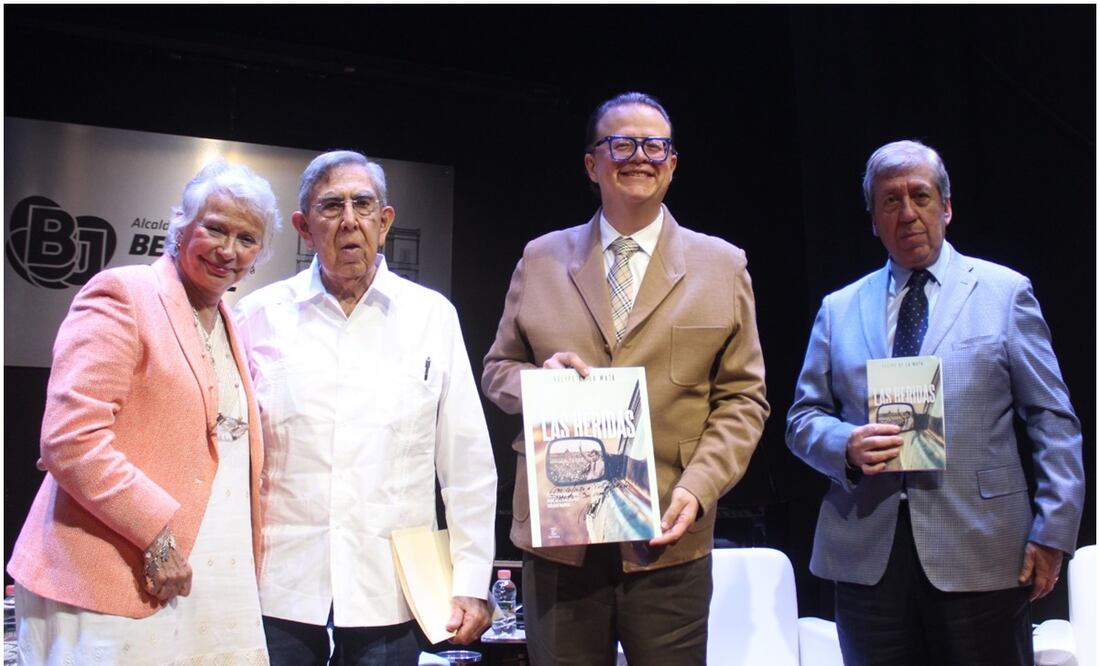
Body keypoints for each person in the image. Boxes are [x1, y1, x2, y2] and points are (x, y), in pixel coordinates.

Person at [482, 92, 769, 666]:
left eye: (655, 145)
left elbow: (743, 397)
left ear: (672, 163)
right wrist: (540, 381)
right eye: (621, 143)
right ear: (593, 163)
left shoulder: (722, 264)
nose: (640, 155)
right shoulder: (541, 258)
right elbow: (497, 371)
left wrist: (699, 487)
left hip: (668, 537)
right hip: (560, 539)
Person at [786, 139, 1085, 666]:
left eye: (920, 196)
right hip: (868, 554)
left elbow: (1052, 419)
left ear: (946, 207)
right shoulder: (839, 308)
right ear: (873, 219)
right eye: (889, 201)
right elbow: (802, 419)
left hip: (983, 549)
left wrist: (1054, 531)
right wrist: (844, 445)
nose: (907, 214)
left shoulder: (1004, 293)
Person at [8, 160, 281, 664]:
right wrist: (157, 538)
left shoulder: (231, 323)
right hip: (111, 574)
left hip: (210, 580)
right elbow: (71, 440)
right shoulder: (123, 293)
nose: (228, 250)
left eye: (247, 238)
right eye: (215, 228)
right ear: (180, 226)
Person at [234, 150, 497, 666]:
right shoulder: (257, 315)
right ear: (303, 227)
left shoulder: (431, 318)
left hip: (391, 591)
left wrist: (471, 581)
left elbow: (466, 465)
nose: (349, 220)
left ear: (385, 221)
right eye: (331, 206)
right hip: (278, 587)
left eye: (363, 204)